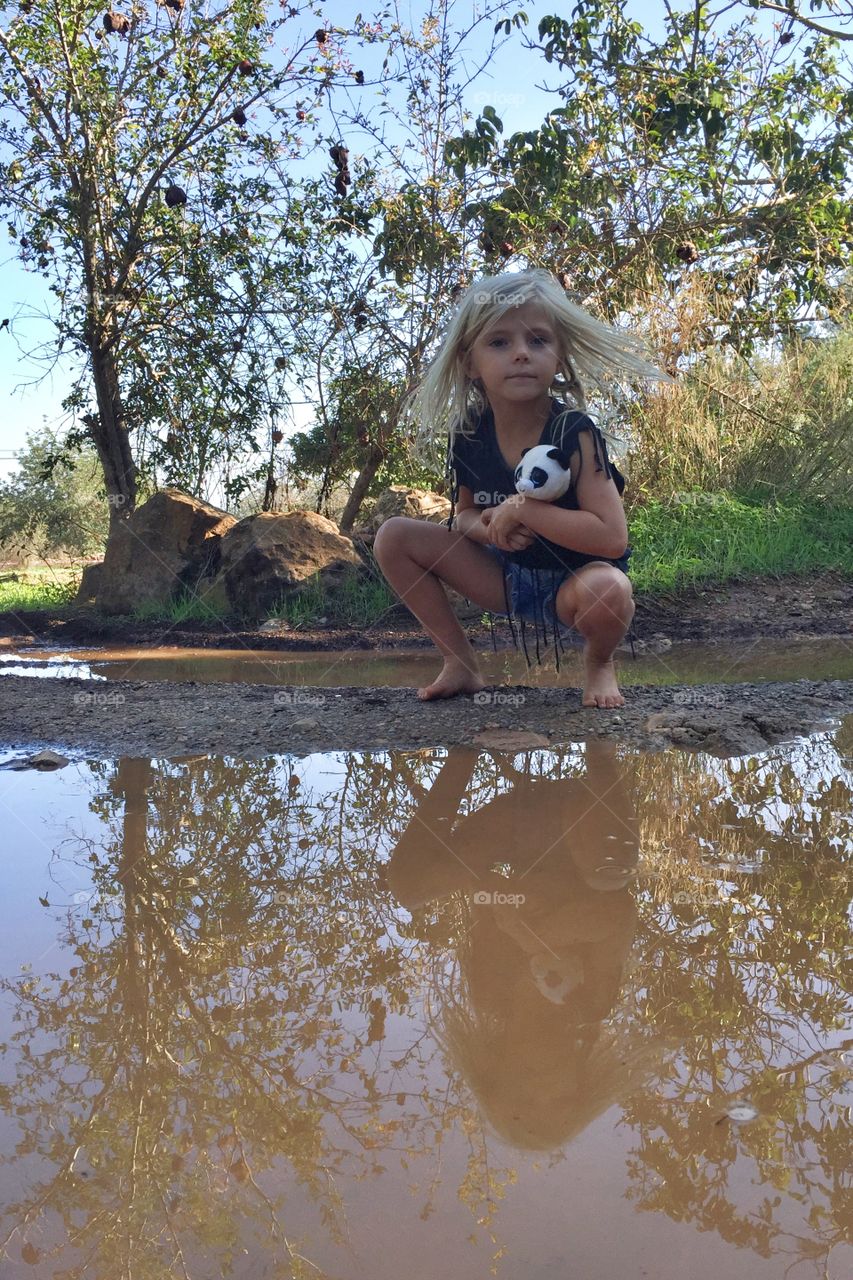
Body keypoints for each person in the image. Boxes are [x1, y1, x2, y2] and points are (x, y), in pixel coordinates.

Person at [373, 268, 666, 707]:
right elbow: (464, 515)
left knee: (611, 589)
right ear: (469, 362)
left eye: (538, 340)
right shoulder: (469, 433)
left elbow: (611, 538)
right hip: (505, 578)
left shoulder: (574, 431)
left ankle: (600, 663)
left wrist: (525, 510)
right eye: (499, 342)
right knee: (394, 536)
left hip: (575, 585)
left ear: (559, 356)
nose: (522, 354)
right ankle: (460, 663)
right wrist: (491, 527)